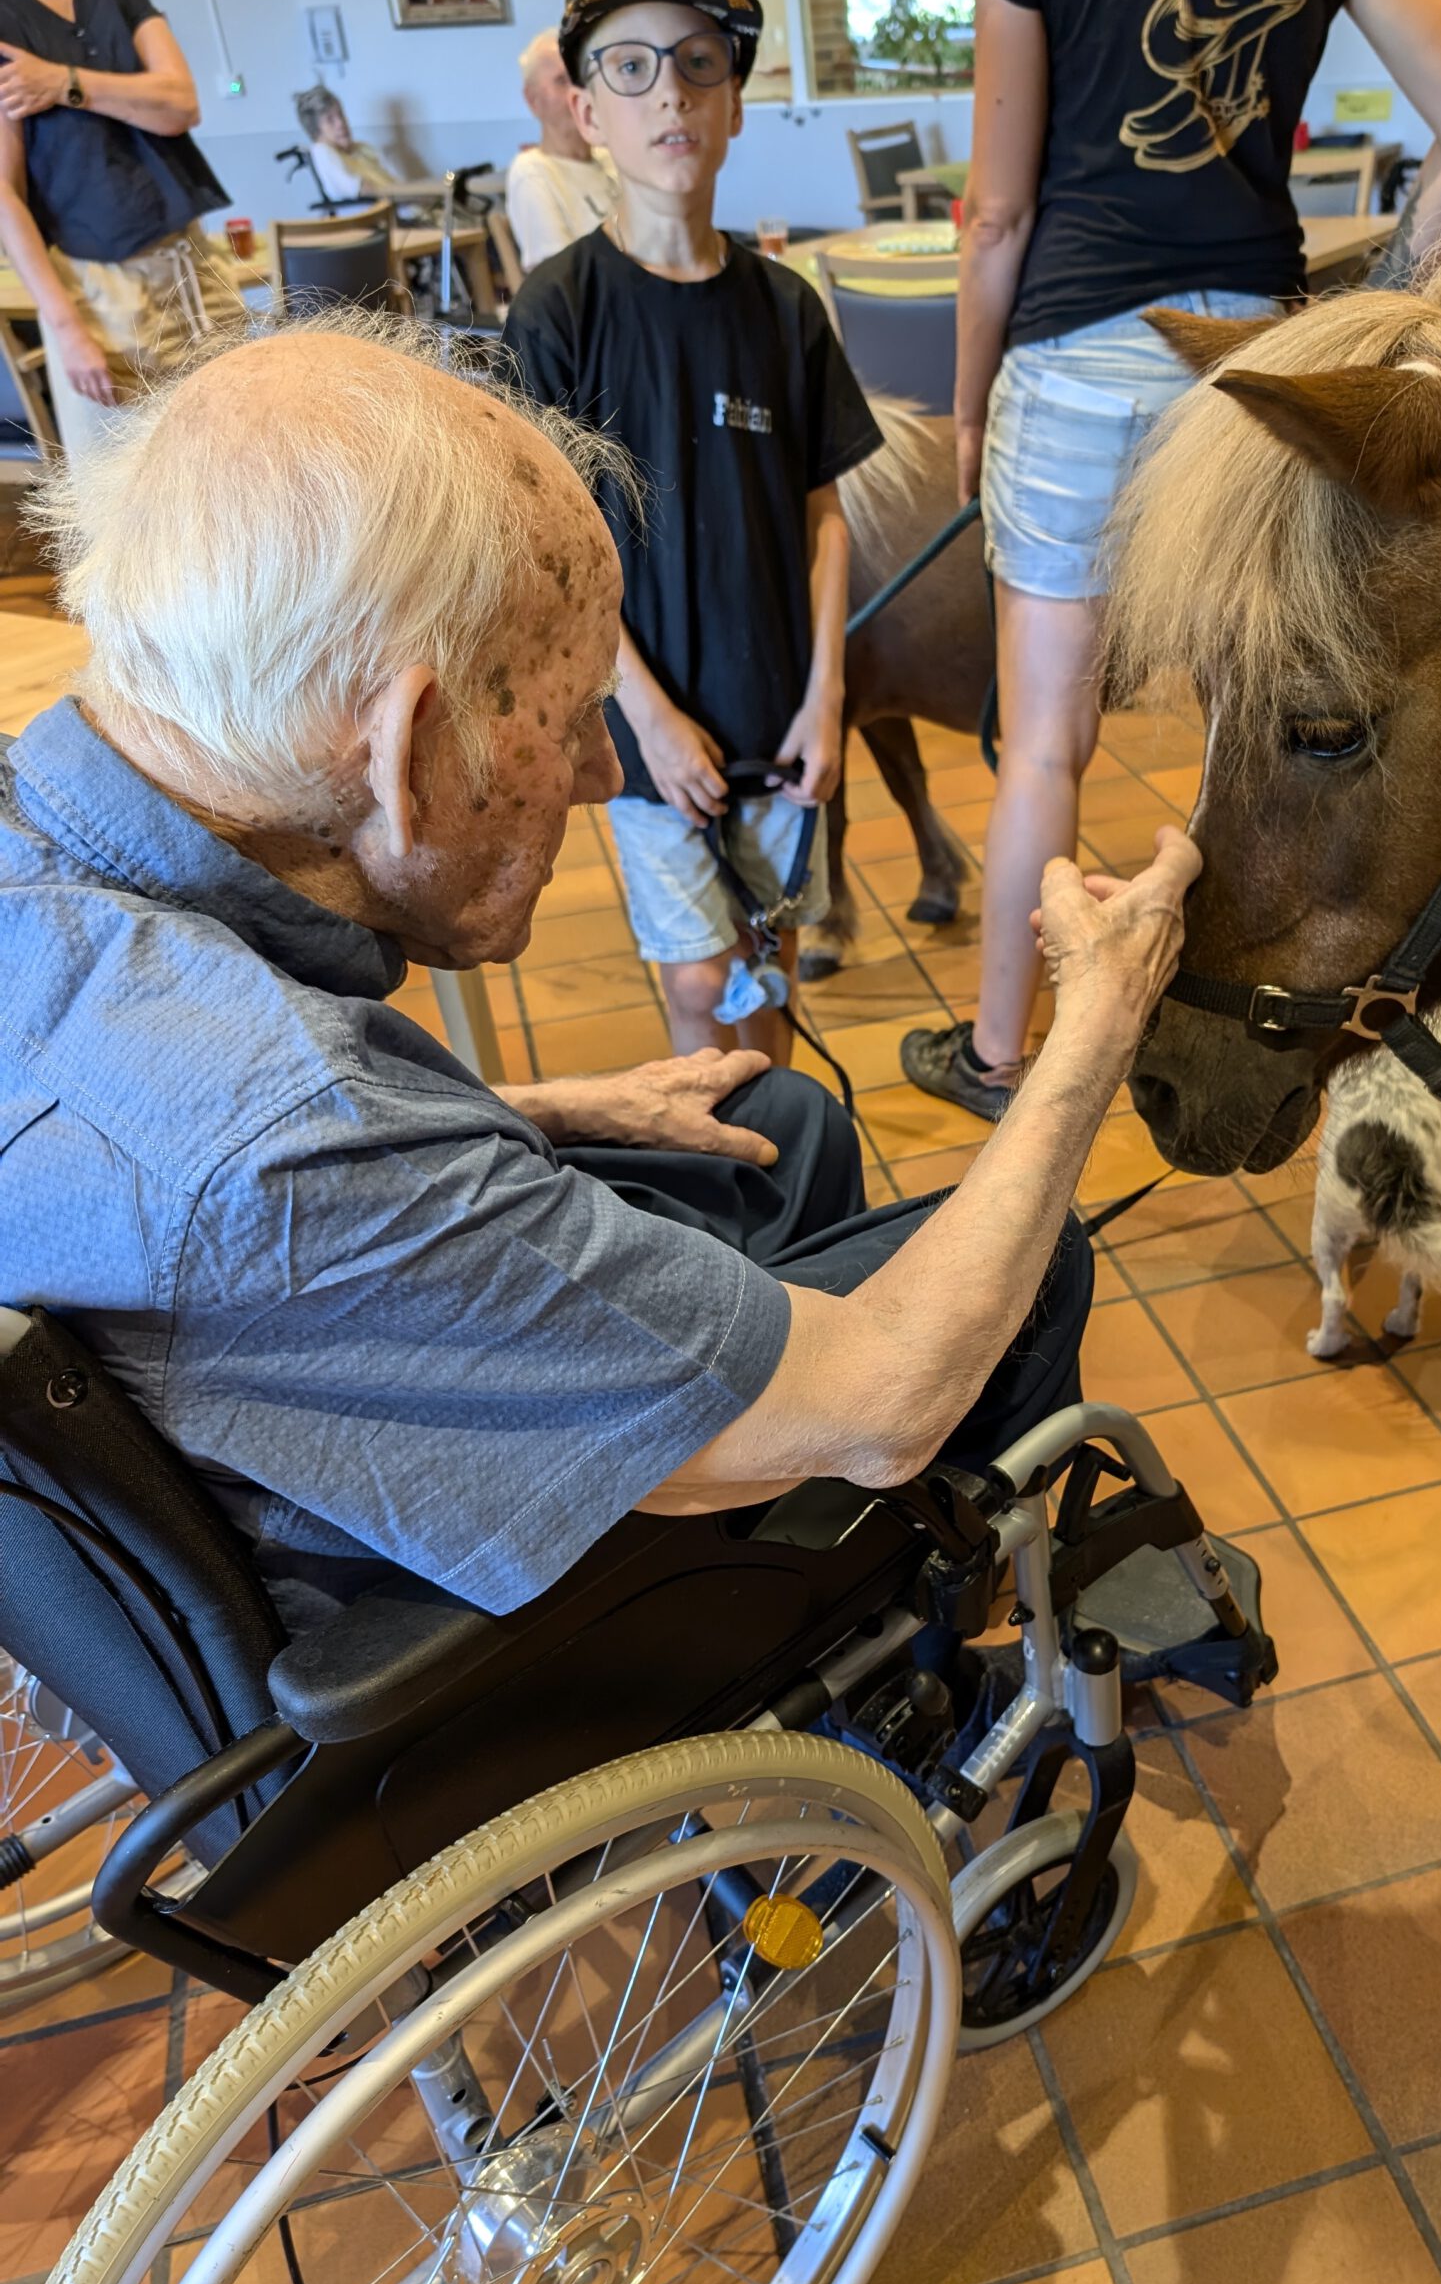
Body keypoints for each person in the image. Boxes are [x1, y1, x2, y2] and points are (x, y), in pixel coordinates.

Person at [0, 312, 1199, 1623]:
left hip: (260, 1401)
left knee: (770, 1120)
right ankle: (901, 1611)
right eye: (572, 720)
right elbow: (882, 1400)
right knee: (1031, 1277)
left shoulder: (47, 861)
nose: (605, 774)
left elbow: (182, 1181)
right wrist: (1096, 1023)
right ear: (404, 753)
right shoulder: (299, 1133)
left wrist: (529, 1112)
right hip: (478, 1626)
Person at [898, 0, 1441, 1120]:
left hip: (1073, 354)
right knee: (1251, 727)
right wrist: (1377, 330)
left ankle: (1001, 1060)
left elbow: (998, 215)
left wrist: (967, 410)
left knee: (1040, 746)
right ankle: (1233, 1001)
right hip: (1242, 366)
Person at [506, 0, 873, 1065]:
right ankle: (724, 1216)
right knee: (697, 979)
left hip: (779, 717)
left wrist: (826, 697)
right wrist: (651, 721)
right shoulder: (558, 312)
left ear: (735, 101)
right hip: (646, 732)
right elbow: (557, 556)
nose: (668, 90)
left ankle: (789, 1197)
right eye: (630, 66)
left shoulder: (786, 308)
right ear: (585, 110)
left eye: (698, 61)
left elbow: (822, 514)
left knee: (767, 962)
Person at [0, 0, 245, 451]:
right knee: (133, 482)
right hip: (99, 290)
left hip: (191, 258)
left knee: (237, 455)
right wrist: (65, 327)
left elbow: (180, 105)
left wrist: (63, 82)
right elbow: (4, 196)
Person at [505, 28, 616, 270]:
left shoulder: (611, 158)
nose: (579, 93)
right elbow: (560, 281)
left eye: (582, 77)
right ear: (532, 100)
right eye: (562, 81)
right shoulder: (532, 172)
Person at [293, 84, 402, 209]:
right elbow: (361, 189)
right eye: (330, 120)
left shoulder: (363, 149)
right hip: (378, 219)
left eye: (341, 115)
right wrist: (408, 195)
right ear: (317, 132)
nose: (341, 123)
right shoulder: (322, 151)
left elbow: (398, 181)